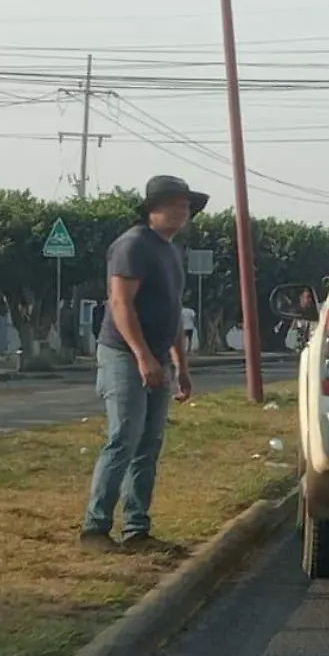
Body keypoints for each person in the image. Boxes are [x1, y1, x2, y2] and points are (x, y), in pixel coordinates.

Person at [81, 175, 202, 553]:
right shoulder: (132, 245)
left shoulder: (170, 250)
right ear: (153, 208)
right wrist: (142, 356)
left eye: (186, 206)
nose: (182, 211)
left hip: (157, 357)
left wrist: (180, 365)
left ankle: (136, 529)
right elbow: (120, 305)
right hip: (123, 353)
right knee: (124, 438)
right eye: (174, 204)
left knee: (149, 443)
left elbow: (174, 314)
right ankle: (96, 528)